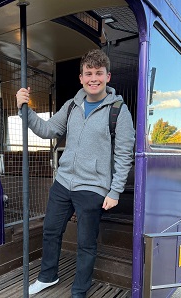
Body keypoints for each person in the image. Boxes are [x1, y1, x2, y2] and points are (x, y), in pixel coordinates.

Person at [16, 49, 135, 298]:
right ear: (81, 78)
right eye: (88, 73)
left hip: (92, 187)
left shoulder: (118, 111)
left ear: (108, 76)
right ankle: (48, 276)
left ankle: (79, 291)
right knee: (50, 231)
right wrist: (24, 108)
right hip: (63, 182)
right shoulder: (72, 105)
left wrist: (114, 191)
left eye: (98, 73)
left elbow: (124, 155)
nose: (94, 78)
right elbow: (47, 129)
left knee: (86, 243)